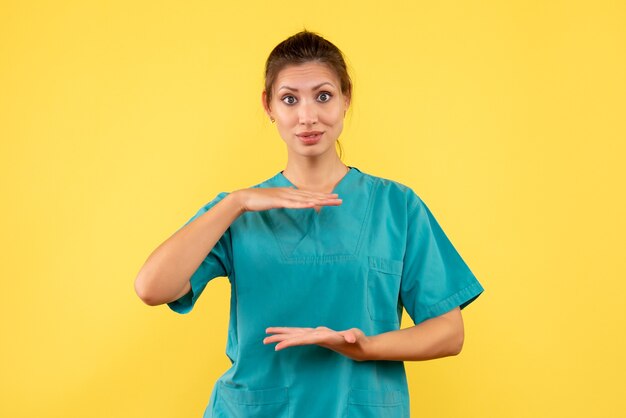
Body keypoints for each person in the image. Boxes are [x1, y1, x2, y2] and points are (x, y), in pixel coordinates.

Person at [134, 30, 484, 418]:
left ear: (346, 97)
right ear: (268, 106)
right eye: (289, 99)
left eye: (323, 96)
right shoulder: (240, 212)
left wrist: (362, 346)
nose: (307, 116)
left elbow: (450, 333)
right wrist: (236, 202)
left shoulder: (396, 206)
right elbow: (152, 288)